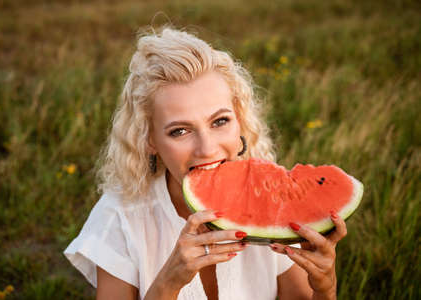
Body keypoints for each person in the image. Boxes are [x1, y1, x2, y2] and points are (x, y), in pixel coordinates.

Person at [64, 26, 346, 300]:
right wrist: (168, 282)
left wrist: (324, 289)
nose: (208, 149)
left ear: (240, 119)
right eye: (180, 131)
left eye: (220, 121)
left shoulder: (272, 197)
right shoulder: (120, 217)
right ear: (149, 140)